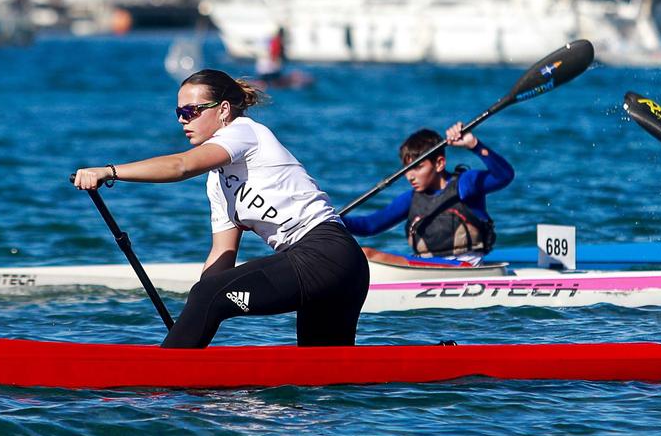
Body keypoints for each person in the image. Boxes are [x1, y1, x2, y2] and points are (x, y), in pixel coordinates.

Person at [71, 69, 368, 349]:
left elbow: (181, 165)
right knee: (323, 381)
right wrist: (195, 313)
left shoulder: (245, 131)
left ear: (224, 110)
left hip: (326, 255)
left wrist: (109, 170)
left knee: (208, 294)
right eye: (179, 113)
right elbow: (221, 255)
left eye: (191, 111)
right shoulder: (218, 184)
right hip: (337, 268)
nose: (182, 120)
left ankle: (163, 380)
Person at [341, 123, 515, 262]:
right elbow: (370, 225)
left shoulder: (465, 184)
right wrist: (332, 218)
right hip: (429, 269)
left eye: (417, 168)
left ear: (439, 164)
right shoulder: (412, 199)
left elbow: (504, 176)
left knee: (367, 255)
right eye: (407, 169)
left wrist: (474, 145)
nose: (410, 176)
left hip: (466, 268)